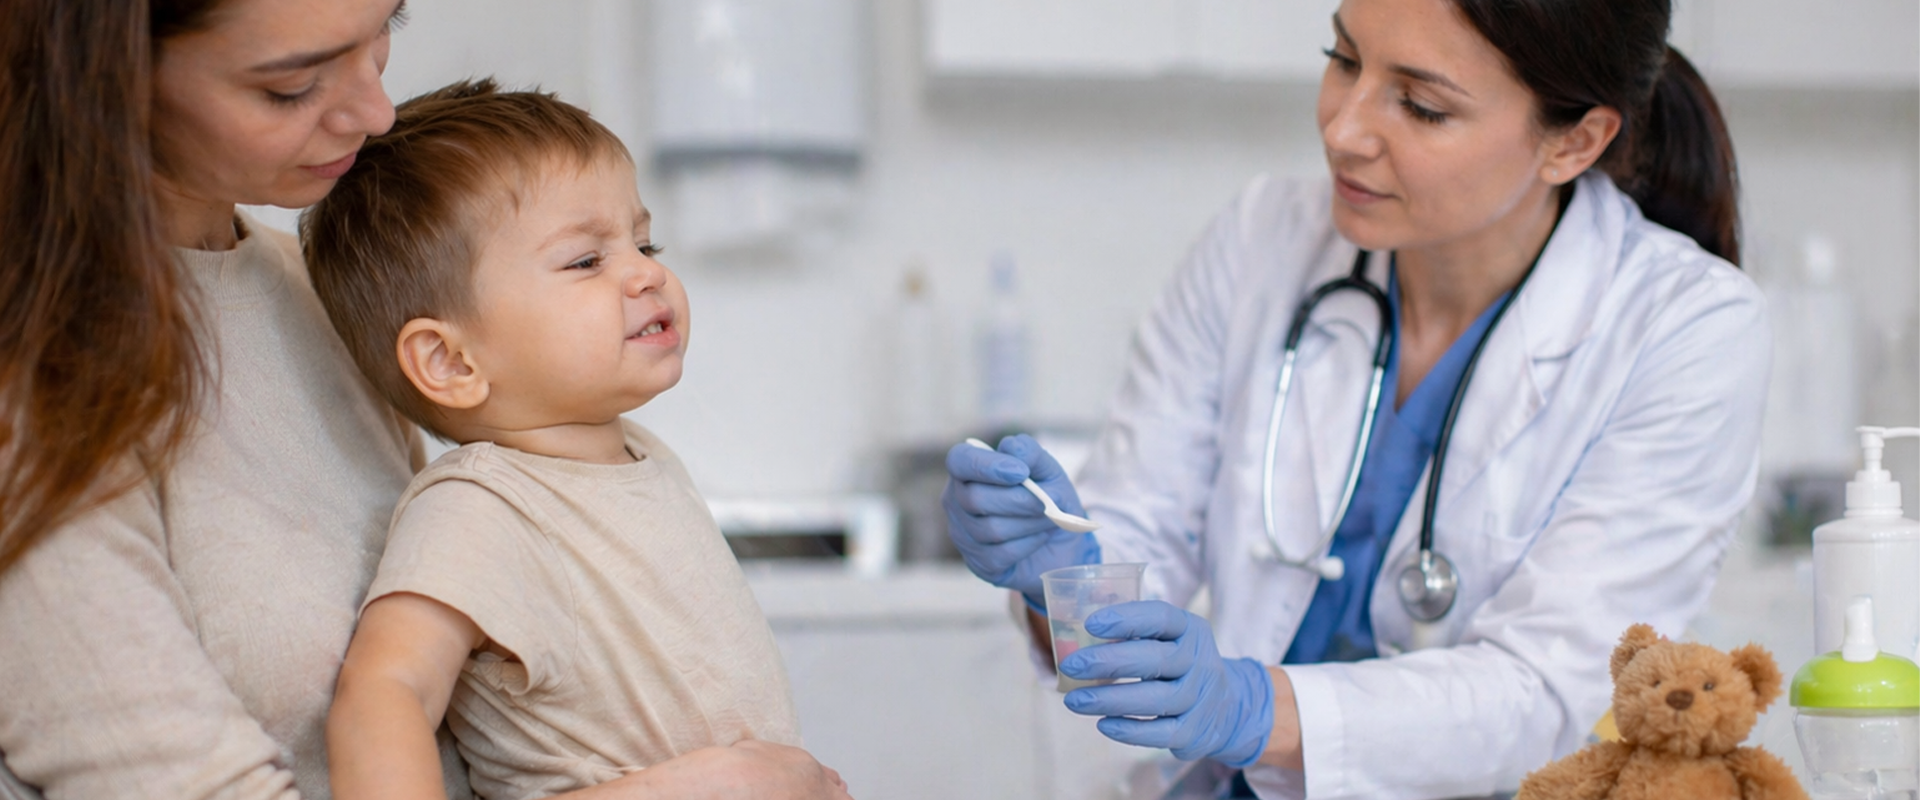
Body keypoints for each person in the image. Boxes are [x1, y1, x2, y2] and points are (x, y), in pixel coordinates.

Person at [0, 2, 847, 798]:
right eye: (294, 85)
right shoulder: (37, 386)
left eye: (384, 29)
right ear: (100, 73)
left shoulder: (309, 301)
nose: (375, 113)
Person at [942, 0, 1767, 798]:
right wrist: (1064, 582)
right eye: (1343, 59)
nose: (1343, 130)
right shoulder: (1262, 239)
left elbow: (1551, 689)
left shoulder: (1685, 327)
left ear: (1575, 141)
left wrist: (1252, 708)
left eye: (1421, 105)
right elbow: (1132, 557)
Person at [307, 80, 846, 800]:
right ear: (451, 362)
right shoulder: (481, 509)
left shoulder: (644, 458)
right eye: (586, 261)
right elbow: (385, 693)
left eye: (644, 242)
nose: (647, 272)